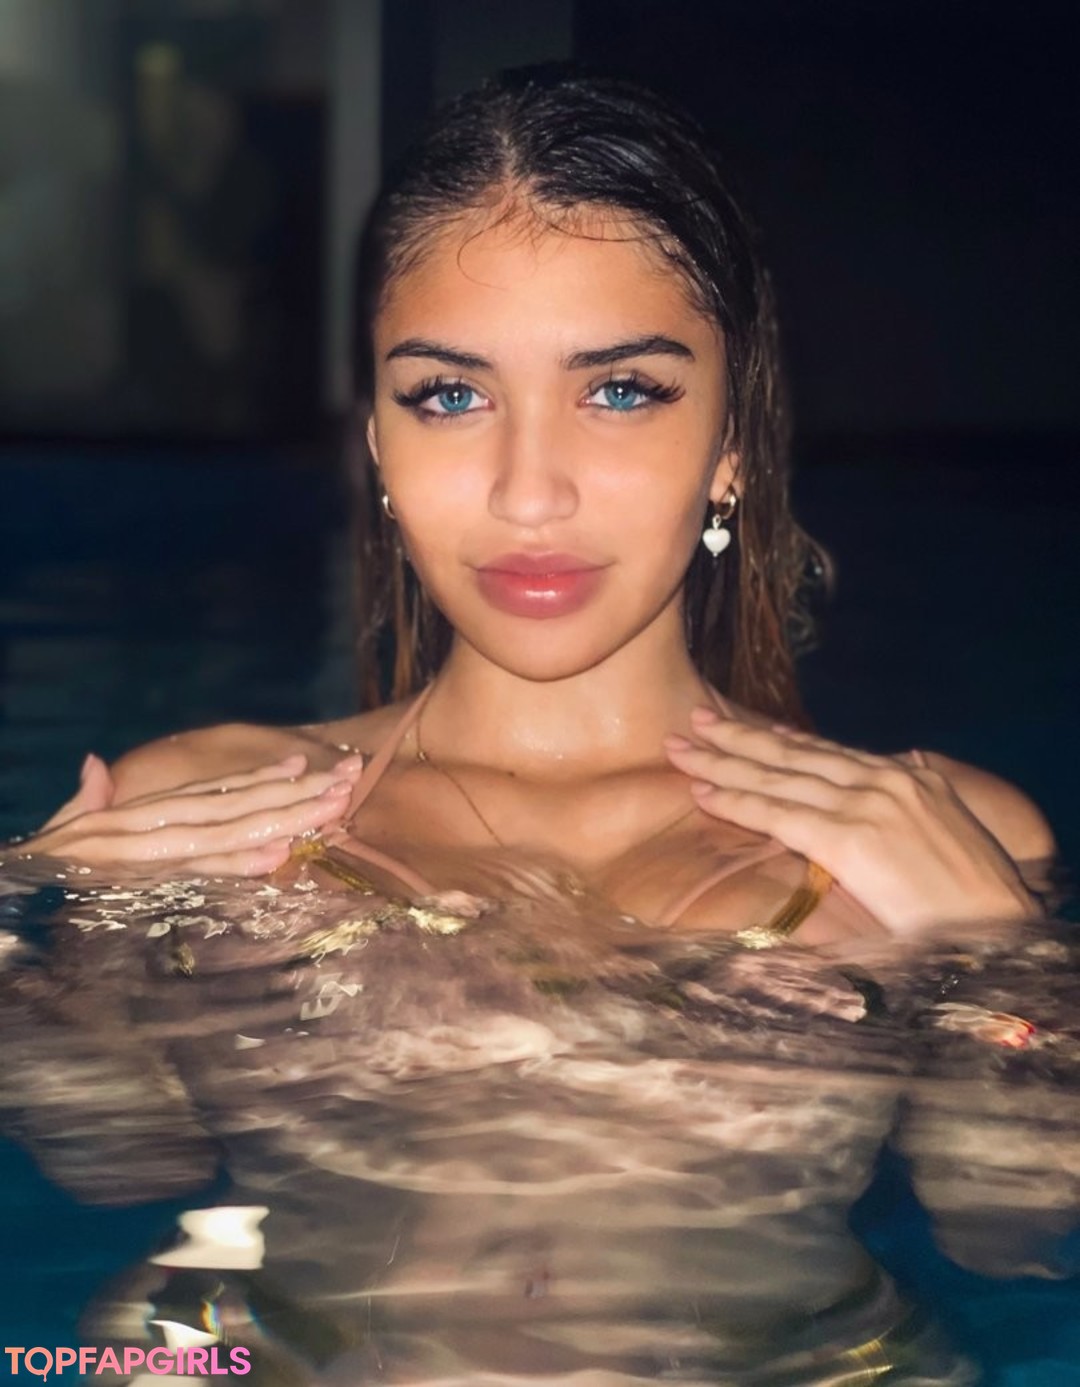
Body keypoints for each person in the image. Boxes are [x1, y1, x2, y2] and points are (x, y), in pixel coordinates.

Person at [5, 66, 1072, 1386]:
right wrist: (24, 942)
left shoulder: (942, 837)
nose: (529, 493)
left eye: (620, 390)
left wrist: (1006, 962)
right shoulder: (205, 802)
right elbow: (120, 1162)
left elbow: (1009, 1225)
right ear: (377, 443)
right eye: (450, 396)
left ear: (731, 442)